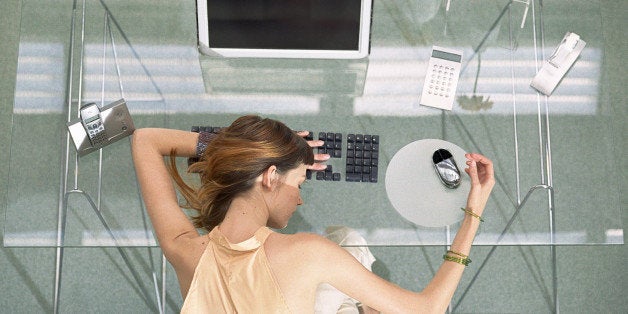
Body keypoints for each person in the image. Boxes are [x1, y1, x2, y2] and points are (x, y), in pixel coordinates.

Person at [131, 115, 495, 313]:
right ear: (271, 178)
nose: (300, 200)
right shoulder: (306, 253)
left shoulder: (184, 252)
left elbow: (145, 140)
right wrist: (473, 211)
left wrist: (251, 148)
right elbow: (427, 310)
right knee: (349, 246)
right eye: (300, 183)